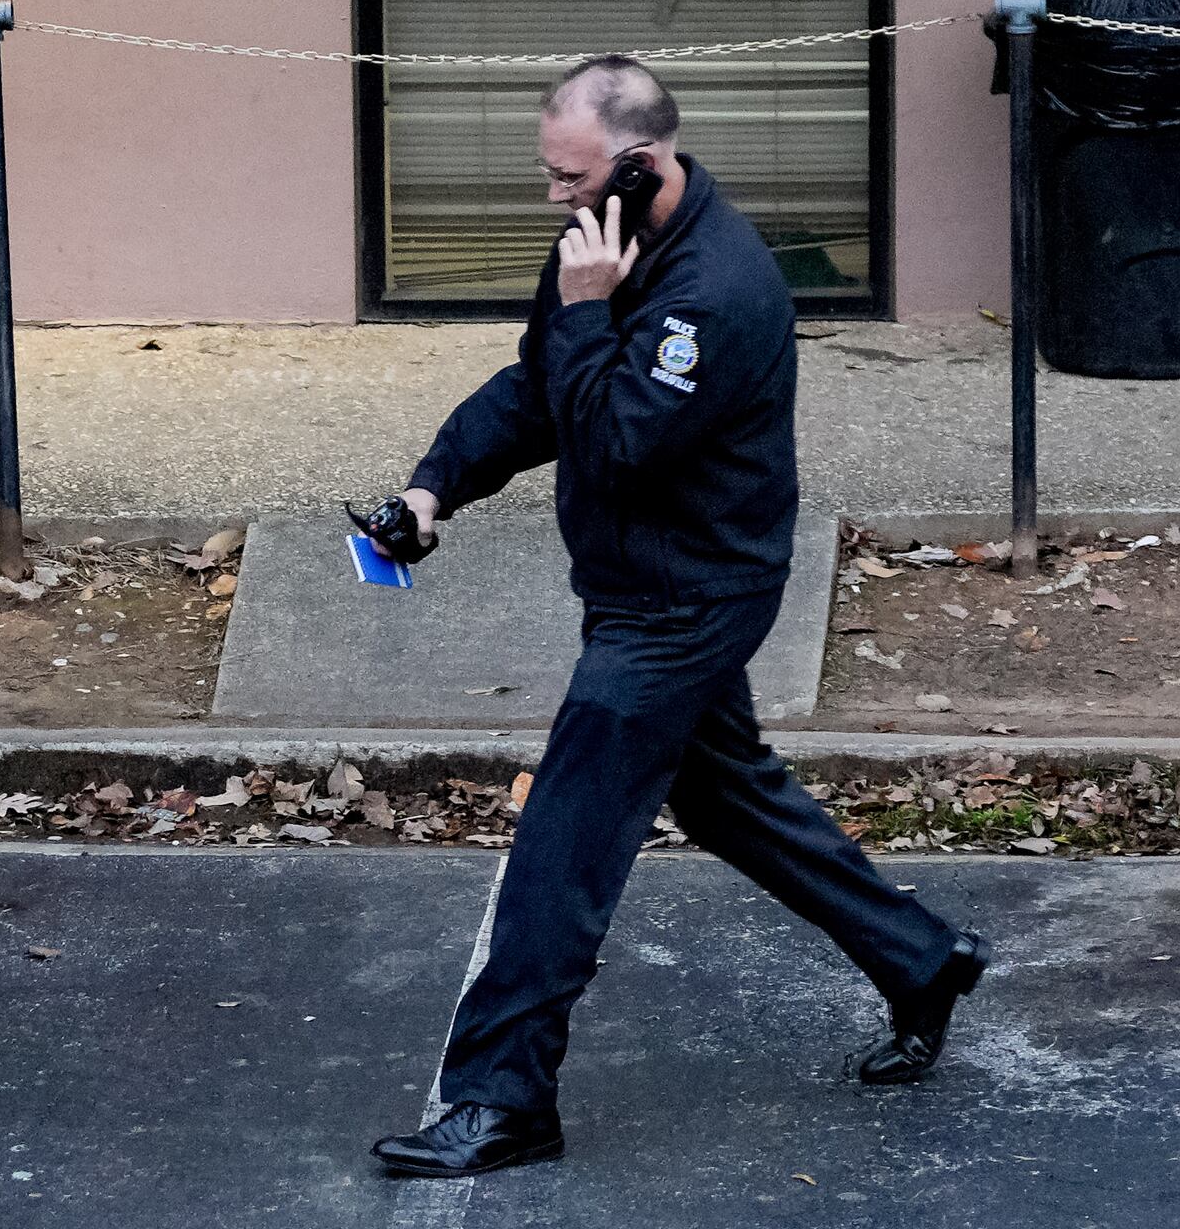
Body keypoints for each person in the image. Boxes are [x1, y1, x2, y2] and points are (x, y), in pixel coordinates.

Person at [365, 57, 984, 1181]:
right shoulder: (598, 244)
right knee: (722, 792)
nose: (555, 197)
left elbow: (619, 441)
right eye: (551, 176)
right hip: (636, 584)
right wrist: (431, 488)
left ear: (639, 165)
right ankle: (921, 958)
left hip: (689, 601)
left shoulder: (718, 290)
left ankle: (504, 1099)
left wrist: (587, 312)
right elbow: (539, 388)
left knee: (564, 839)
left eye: (570, 178)